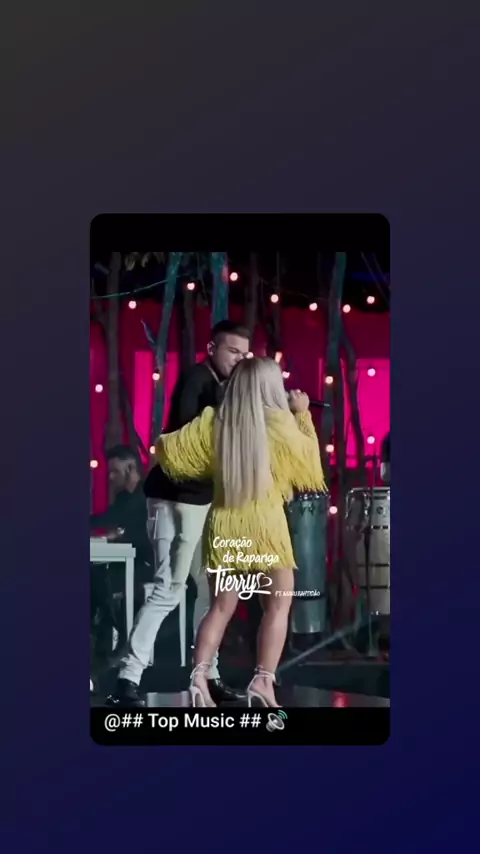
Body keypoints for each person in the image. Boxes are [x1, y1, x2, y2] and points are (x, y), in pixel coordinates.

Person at [155, 357, 326, 707]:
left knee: (220, 608)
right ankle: (263, 681)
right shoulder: (281, 424)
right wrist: (302, 415)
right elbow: (310, 469)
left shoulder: (214, 421)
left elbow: (168, 451)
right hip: (266, 526)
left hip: (224, 523)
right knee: (277, 606)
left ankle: (199, 677)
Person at [108, 320, 251, 707]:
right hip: (179, 499)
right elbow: (185, 435)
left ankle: (207, 674)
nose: (239, 360)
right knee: (170, 588)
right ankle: (128, 678)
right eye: (232, 351)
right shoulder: (198, 379)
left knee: (208, 589)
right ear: (212, 348)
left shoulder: (216, 384)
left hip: (194, 500)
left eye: (244, 354)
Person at [90, 446, 152, 658]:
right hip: (125, 560)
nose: (110, 477)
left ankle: (123, 640)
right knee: (96, 574)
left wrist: (118, 536)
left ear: (130, 469)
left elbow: (145, 534)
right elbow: (107, 519)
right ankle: (105, 636)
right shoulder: (124, 498)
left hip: (147, 562)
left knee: (108, 578)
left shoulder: (148, 496)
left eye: (114, 471)